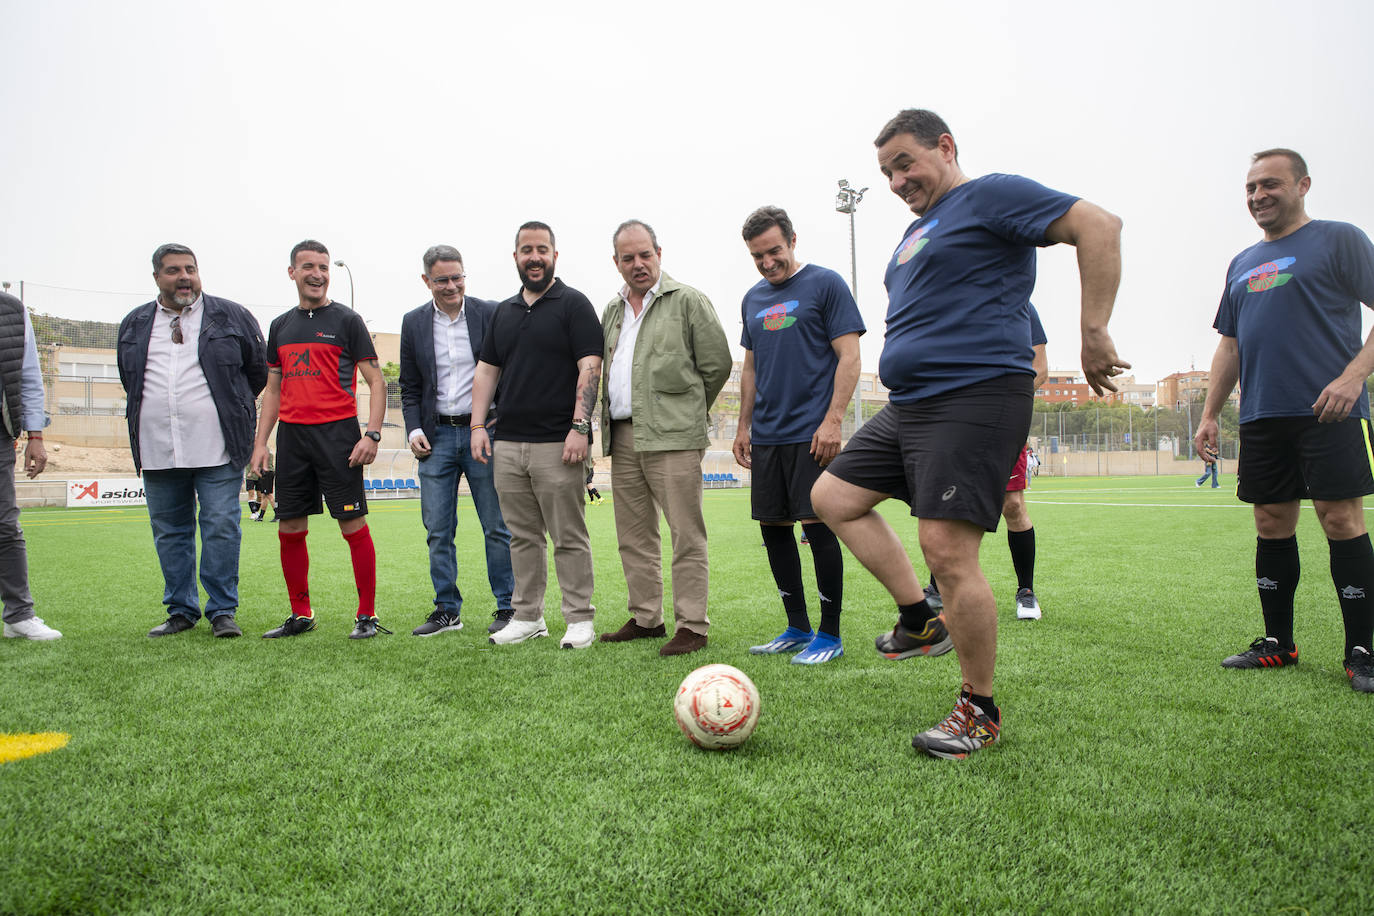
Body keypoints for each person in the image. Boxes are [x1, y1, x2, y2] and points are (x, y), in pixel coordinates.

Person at [812, 109, 1128, 758]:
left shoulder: (989, 196)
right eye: (886, 172)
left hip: (976, 393)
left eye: (905, 163)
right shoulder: (916, 231)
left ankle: (978, 710)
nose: (896, 182)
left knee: (948, 552)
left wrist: (1093, 330)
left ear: (946, 147)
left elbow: (1099, 224)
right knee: (832, 498)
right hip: (912, 404)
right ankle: (919, 620)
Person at [1195, 148, 1374, 693]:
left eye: (1270, 184)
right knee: (1271, 523)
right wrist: (1209, 414)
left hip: (1329, 410)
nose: (1258, 196)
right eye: (1251, 188)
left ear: (1303, 185)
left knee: (1340, 520)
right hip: (1262, 415)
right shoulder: (1241, 262)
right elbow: (1230, 345)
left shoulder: (1339, 239)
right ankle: (1278, 643)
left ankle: (1363, 651)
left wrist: (1353, 377)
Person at [734, 206, 865, 665]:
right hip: (767, 435)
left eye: (774, 251)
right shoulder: (751, 299)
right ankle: (797, 627)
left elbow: (850, 356)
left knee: (817, 527)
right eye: (757, 256)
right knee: (773, 528)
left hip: (812, 433)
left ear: (792, 240)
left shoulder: (826, 284)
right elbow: (750, 368)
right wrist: (743, 426)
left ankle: (830, 635)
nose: (767, 262)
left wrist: (833, 421)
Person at [117, 244, 267, 639]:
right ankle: (181, 610)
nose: (184, 277)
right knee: (170, 531)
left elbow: (257, 373)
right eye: (173, 270)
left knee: (221, 525)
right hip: (157, 446)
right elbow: (130, 380)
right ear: (156, 277)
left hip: (218, 445)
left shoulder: (231, 316)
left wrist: (230, 410)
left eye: (190, 269)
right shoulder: (135, 323)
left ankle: (222, 611)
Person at [597, 220, 732, 657]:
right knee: (634, 535)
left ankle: (692, 625)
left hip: (674, 436)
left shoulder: (688, 300)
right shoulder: (612, 311)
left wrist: (684, 411)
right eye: (628, 258)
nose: (638, 264)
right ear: (616, 262)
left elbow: (717, 365)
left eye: (645, 255)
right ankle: (646, 618)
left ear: (659, 253)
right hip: (623, 436)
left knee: (685, 534)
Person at [470, 222, 603, 649]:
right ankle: (528, 616)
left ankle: (579, 619)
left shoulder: (574, 304)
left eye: (542, 249)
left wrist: (580, 427)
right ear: (515, 257)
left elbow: (590, 367)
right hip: (508, 443)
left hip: (558, 443)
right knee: (522, 537)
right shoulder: (503, 312)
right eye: (526, 249)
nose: (534, 257)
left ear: (554, 256)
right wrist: (477, 425)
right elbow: (486, 372)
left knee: (568, 537)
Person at [252, 240, 390, 640]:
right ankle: (301, 614)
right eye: (309, 266)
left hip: (338, 436)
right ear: (292, 272)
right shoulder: (280, 326)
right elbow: (273, 390)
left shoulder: (348, 321)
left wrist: (372, 434)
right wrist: (261, 443)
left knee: (352, 523)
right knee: (290, 527)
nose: (318, 274)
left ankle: (366, 615)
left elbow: (376, 382)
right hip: (293, 438)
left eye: (324, 267)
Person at [399, 244, 515, 637]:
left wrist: (501, 416)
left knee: (496, 525)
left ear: (465, 275)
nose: (451, 286)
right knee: (438, 529)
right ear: (426, 281)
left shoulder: (490, 313)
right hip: (436, 438)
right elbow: (410, 385)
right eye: (442, 280)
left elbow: (509, 367)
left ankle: (508, 607)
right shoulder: (413, 323)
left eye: (457, 277)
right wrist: (413, 428)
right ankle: (447, 610)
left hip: (484, 432)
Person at [924, 304, 1050, 620]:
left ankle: (1026, 592)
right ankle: (937, 588)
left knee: (1013, 505)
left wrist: (1000, 403)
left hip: (1005, 422)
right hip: (959, 423)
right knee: (950, 501)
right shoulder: (957, 304)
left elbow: (1040, 369)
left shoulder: (1021, 306)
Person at [0, 291, 60, 641]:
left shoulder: (11, 310)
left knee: (5, 525)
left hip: (1, 433)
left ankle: (19, 615)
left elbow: (28, 376)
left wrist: (35, 434)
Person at [247, 449, 276, 521]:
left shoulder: (261, 451)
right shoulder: (268, 451)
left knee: (269, 495)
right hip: (268, 473)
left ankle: (278, 514)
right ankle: (261, 516)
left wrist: (256, 474)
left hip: (266, 473)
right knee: (264, 496)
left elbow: (256, 465)